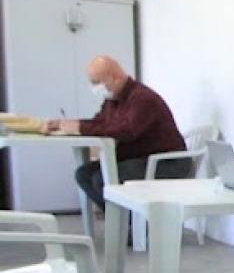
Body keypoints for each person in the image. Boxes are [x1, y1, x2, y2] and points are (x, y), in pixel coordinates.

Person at [43, 55, 189, 210]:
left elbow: (127, 131)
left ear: (114, 78)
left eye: (96, 82)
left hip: (166, 163)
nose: (94, 88)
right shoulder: (112, 99)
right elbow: (99, 123)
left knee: (101, 179)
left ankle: (130, 223)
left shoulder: (143, 98)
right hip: (139, 158)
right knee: (83, 174)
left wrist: (79, 128)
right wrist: (65, 124)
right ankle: (123, 222)